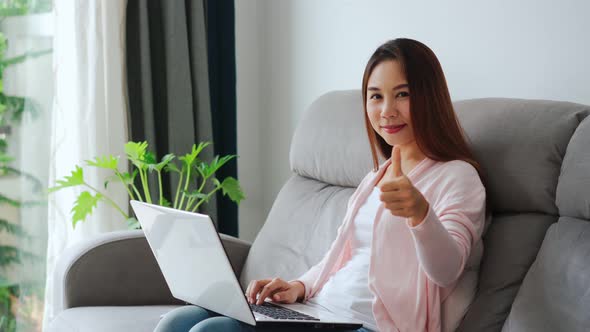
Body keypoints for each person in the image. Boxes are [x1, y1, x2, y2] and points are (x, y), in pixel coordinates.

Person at [154, 38, 487, 332]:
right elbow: (341, 255)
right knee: (176, 322)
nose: (387, 111)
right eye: (375, 96)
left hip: (372, 326)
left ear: (429, 98)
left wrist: (420, 214)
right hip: (319, 313)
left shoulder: (457, 176)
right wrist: (300, 286)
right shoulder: (376, 177)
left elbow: (448, 271)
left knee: (211, 331)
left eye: (402, 94)